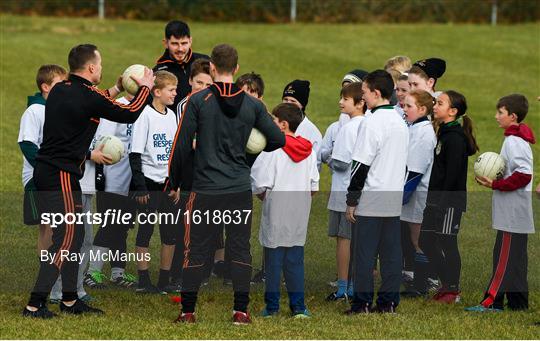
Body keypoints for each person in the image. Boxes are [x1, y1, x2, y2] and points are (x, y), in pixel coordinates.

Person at [22, 43, 154, 318]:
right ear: (92, 67)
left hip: (53, 172)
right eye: (101, 64)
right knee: (68, 239)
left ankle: (70, 300)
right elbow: (129, 113)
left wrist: (117, 88)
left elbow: (94, 100)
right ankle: (35, 304)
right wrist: (145, 88)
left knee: (76, 235)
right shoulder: (86, 96)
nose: (102, 69)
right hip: (60, 174)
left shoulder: (62, 89)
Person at [168, 44, 285, 324]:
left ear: (211, 67)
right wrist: (246, 155)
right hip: (238, 189)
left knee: (195, 249)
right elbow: (278, 140)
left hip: (205, 190)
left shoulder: (198, 101)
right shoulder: (253, 105)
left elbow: (181, 145)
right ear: (236, 68)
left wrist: (174, 181)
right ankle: (240, 311)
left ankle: (188, 312)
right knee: (239, 248)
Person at [345, 70, 409, 314]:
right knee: (392, 254)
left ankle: (361, 303)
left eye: (364, 93)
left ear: (376, 93)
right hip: (393, 198)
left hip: (372, 198)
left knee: (364, 254)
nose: (363, 98)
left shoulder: (371, 122)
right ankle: (388, 302)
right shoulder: (400, 121)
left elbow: (360, 165)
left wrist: (352, 200)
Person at [466, 94, 535, 312]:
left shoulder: (514, 141)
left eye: (500, 113)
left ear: (512, 116)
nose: (496, 116)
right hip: (516, 214)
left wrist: (495, 184)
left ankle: (491, 301)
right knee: (516, 260)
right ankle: (518, 303)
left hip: (512, 214)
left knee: (503, 258)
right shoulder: (515, 138)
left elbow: (524, 175)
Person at [251, 103, 319, 318]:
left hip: (277, 209)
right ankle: (298, 306)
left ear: (283, 124)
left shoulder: (272, 149)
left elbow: (260, 182)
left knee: (273, 262)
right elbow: (314, 185)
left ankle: (272, 307)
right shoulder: (308, 149)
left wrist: (263, 196)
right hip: (299, 211)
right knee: (295, 260)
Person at [411, 90, 479, 303]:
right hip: (435, 200)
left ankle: (453, 290)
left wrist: (441, 202)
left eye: (440, 103)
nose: (435, 106)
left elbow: (452, 175)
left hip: (448, 202)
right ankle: (446, 282)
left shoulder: (455, 138)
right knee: (426, 240)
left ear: (453, 111)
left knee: (447, 242)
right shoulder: (444, 133)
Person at [130, 71, 180, 294]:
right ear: (157, 92)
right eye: (171, 90)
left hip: (168, 184)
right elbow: (135, 154)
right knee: (146, 231)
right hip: (149, 184)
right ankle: (143, 279)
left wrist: (177, 184)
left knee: (170, 233)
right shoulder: (144, 115)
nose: (175, 94)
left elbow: (177, 154)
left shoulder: (172, 115)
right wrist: (140, 187)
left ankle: (164, 279)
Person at [84, 92, 138, 289]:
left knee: (122, 228)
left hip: (131, 181)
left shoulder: (144, 108)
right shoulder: (117, 107)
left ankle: (118, 273)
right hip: (111, 180)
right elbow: (101, 141)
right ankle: (92, 272)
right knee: (109, 225)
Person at [18, 65, 67, 252]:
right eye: (59, 84)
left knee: (57, 224)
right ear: (45, 87)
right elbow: (27, 144)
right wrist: (44, 169)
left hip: (55, 175)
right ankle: (47, 272)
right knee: (48, 226)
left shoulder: (57, 109)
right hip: (38, 178)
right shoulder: (34, 111)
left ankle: (51, 271)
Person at [326, 82, 366, 301]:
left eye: (346, 99)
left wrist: (326, 157)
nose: (340, 102)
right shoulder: (368, 125)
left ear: (360, 103)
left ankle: (343, 287)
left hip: (344, 192)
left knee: (344, 239)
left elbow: (340, 163)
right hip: (362, 193)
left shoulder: (348, 127)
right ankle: (354, 284)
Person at [399, 90, 436, 287]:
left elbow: (415, 171)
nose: (404, 110)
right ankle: (421, 281)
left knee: (418, 240)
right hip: (410, 195)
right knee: (414, 239)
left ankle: (423, 282)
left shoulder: (424, 133)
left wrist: (401, 197)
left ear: (422, 109)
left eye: (409, 106)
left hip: (417, 195)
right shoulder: (414, 127)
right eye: (403, 106)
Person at [153, 20, 209, 110]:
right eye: (175, 44)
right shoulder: (159, 72)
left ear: (190, 41)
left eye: (184, 43)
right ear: (166, 43)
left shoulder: (205, 62)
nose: (180, 49)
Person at [282, 80, 323, 170]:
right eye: (285, 99)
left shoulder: (313, 133)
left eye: (293, 101)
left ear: (302, 105)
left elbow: (315, 168)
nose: (288, 104)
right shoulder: (273, 124)